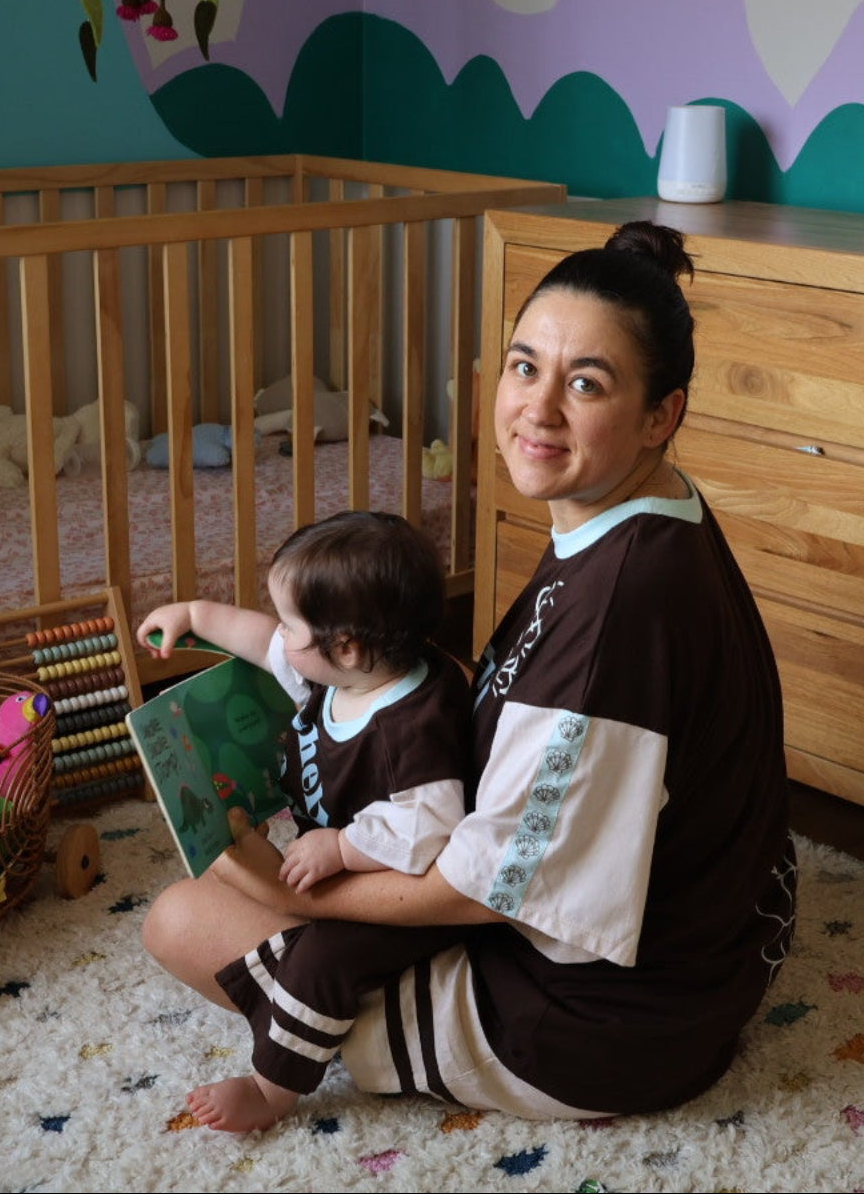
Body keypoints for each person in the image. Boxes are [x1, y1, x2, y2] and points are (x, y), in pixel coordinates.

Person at [142, 220, 796, 1124]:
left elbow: (481, 888)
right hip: (714, 952)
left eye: (587, 383)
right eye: (526, 368)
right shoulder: (639, 512)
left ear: (661, 415)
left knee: (183, 914)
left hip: (603, 1024)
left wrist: (279, 881)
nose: (539, 408)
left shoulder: (619, 605)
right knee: (243, 873)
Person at [136, 510, 472, 1131]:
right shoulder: (345, 670)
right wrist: (195, 615)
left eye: (294, 624)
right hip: (337, 865)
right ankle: (317, 1011)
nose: (281, 636)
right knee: (217, 900)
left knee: (323, 960)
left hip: (400, 902)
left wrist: (342, 848)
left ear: (345, 644)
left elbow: (430, 828)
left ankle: (273, 1088)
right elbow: (263, 641)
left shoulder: (412, 725)